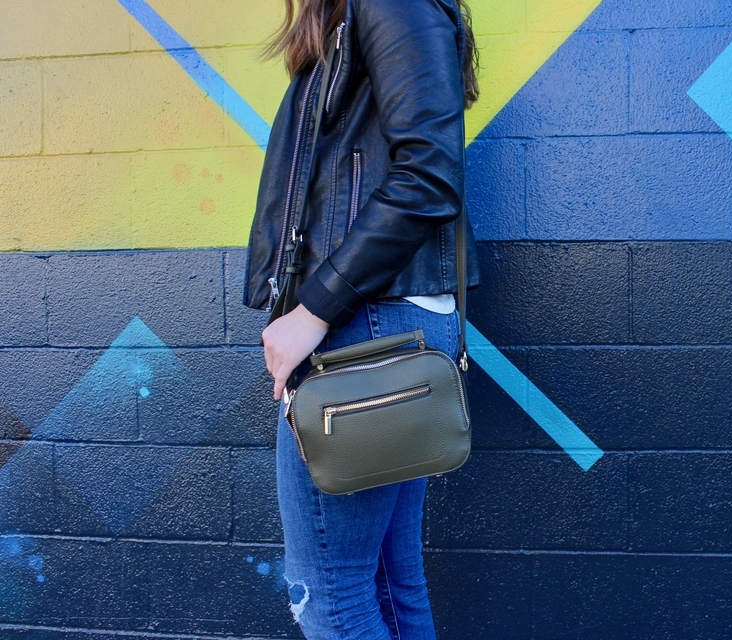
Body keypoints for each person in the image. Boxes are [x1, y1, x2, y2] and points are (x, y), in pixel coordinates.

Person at [241, 0, 481, 637]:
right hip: (382, 324)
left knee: (328, 594)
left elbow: (428, 173)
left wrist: (313, 311)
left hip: (363, 329)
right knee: (386, 582)